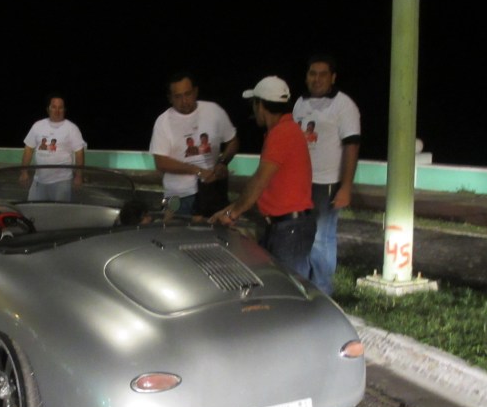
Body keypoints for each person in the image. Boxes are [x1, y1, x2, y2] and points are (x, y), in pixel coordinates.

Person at [210, 77, 315, 278]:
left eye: (254, 104)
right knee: (275, 284)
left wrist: (233, 214)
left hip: (290, 230)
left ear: (261, 105)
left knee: (288, 290)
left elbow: (259, 181)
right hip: (284, 226)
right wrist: (230, 209)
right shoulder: (283, 130)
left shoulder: (282, 133)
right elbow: (262, 181)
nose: (253, 110)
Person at [292, 54, 361, 295]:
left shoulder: (343, 105)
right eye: (312, 73)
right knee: (301, 235)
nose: (317, 79)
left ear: (332, 77)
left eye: (323, 74)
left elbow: (352, 146)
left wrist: (346, 186)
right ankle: (304, 286)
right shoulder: (300, 103)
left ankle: (323, 292)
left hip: (327, 183)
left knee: (322, 238)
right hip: (301, 182)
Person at [149, 72, 239, 217]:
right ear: (170, 98)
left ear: (195, 92)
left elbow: (232, 141)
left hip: (212, 191)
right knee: (176, 236)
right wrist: (197, 170)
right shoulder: (163, 121)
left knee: (215, 236)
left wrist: (223, 162)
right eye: (178, 96)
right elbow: (161, 162)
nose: (184, 101)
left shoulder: (214, 111)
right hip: (179, 196)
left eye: (188, 94)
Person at [20, 94, 86, 201]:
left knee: (59, 212)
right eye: (54, 107)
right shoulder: (37, 125)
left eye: (60, 107)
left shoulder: (71, 128)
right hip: (39, 180)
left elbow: (79, 153)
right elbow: (28, 149)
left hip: (62, 181)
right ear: (48, 109)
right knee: (35, 211)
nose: (57, 110)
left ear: (64, 110)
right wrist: (24, 172)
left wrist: (79, 176)